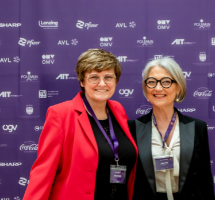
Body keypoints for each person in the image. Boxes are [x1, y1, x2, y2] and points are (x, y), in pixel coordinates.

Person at [23, 49, 138, 200]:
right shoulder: (61, 114)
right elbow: (43, 173)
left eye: (108, 77)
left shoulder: (118, 110)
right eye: (94, 77)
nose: (102, 83)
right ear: (82, 81)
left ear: (116, 81)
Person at [128, 57, 215, 200]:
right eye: (151, 82)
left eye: (166, 82)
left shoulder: (197, 127)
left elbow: (204, 180)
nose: (158, 88)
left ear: (178, 87)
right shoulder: (133, 128)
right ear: (146, 88)